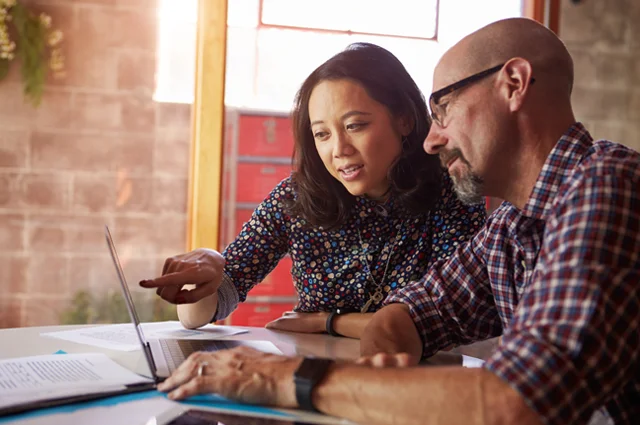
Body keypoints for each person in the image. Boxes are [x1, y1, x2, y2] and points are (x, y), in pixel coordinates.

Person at [154, 18, 640, 425]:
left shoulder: (606, 184)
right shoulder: (512, 224)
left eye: (444, 109)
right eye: (322, 133)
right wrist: (386, 347)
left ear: (513, 84)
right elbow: (418, 310)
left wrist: (284, 376)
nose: (433, 139)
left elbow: (517, 401)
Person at [140, 42, 486, 339]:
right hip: (315, 380)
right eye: (322, 134)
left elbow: (450, 318)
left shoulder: (450, 191)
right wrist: (211, 267)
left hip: (415, 386)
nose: (339, 149)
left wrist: (329, 322)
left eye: (355, 126)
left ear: (404, 120)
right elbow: (198, 316)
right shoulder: (296, 197)